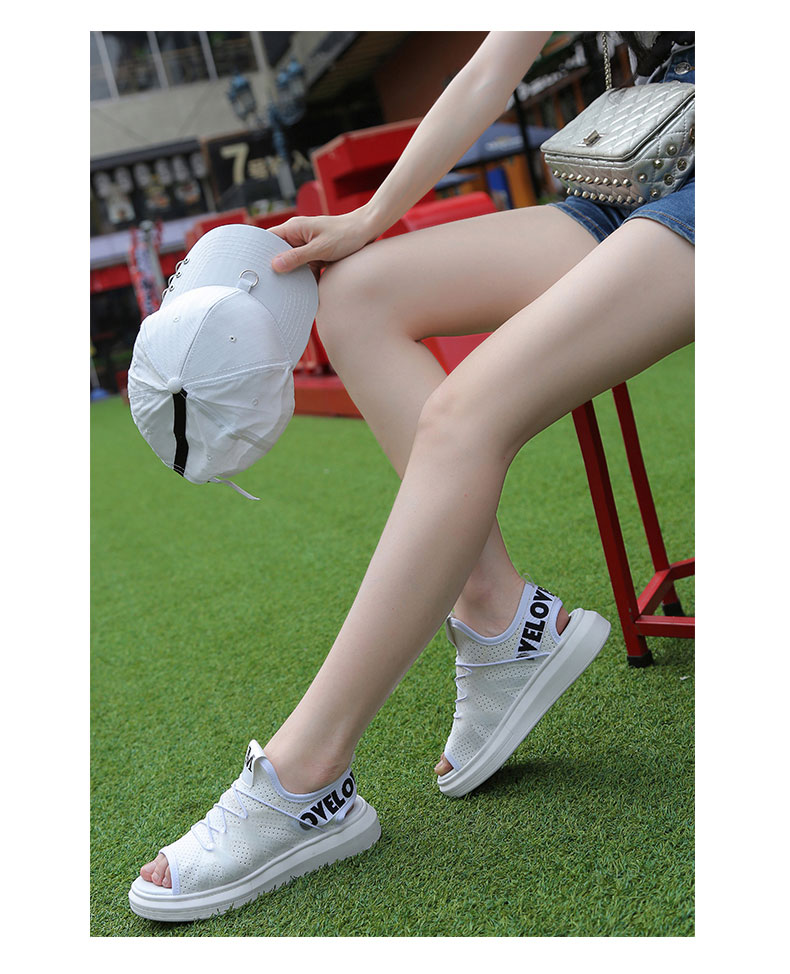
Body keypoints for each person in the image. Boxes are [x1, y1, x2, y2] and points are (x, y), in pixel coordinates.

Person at [130, 31, 694, 921]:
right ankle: (500, 618)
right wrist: (368, 219)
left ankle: (306, 772)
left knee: (465, 415)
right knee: (355, 294)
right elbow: (489, 67)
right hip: (639, 169)